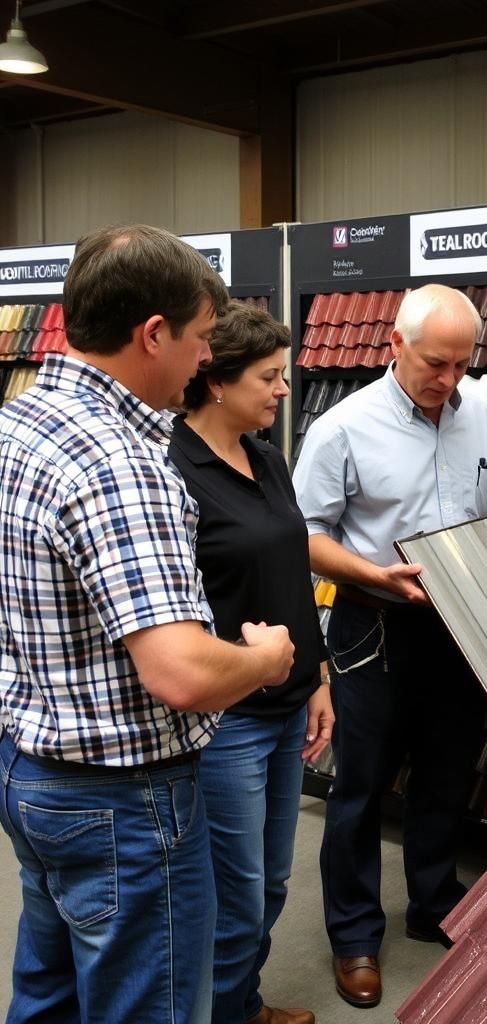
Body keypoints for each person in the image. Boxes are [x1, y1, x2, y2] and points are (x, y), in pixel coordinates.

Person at [0, 225, 295, 1024]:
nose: (207, 358)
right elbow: (183, 674)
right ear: (152, 333)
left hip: (33, 770)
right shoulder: (122, 464)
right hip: (122, 799)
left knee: (50, 995)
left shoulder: (21, 421)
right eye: (201, 338)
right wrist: (265, 659)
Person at [293, 283, 487, 1009]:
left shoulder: (481, 420)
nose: (448, 380)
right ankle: (355, 935)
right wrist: (371, 572)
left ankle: (431, 901)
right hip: (373, 625)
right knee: (358, 787)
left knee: (448, 772)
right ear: (395, 345)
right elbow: (303, 537)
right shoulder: (344, 428)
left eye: (462, 364)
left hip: (461, 626)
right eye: (434, 363)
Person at [169, 301, 334, 1024]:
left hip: (289, 702)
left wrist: (319, 676)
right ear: (215, 381)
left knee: (268, 884)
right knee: (232, 895)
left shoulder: (267, 458)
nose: (282, 390)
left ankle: (242, 1003)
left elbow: (294, 576)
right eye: (268, 377)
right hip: (227, 721)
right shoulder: (174, 471)